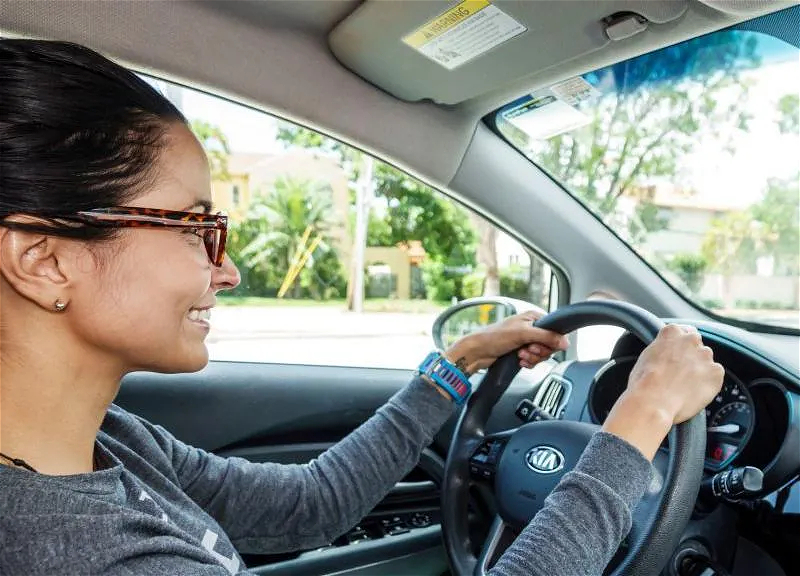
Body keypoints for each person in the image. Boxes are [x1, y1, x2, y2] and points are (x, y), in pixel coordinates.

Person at [0, 39, 725, 576]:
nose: (228, 269)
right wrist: (641, 419)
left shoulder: (113, 441)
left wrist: (458, 363)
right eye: (193, 228)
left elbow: (309, 504)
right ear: (44, 259)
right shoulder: (88, 553)